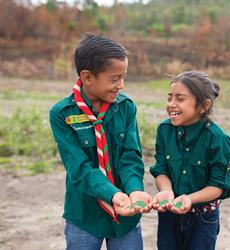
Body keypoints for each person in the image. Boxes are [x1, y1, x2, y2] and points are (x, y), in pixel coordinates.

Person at [49, 33, 152, 250]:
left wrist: (134, 190)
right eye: (114, 79)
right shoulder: (62, 114)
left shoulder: (125, 107)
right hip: (84, 214)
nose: (121, 85)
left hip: (126, 215)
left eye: (123, 77)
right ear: (87, 77)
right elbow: (78, 168)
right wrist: (112, 194)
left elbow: (130, 157)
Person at [149, 71, 230, 250]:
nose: (171, 104)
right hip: (169, 214)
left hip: (202, 220)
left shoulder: (217, 139)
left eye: (180, 99)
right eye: (170, 97)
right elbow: (161, 170)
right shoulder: (165, 130)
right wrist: (166, 190)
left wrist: (189, 199)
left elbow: (218, 186)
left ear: (203, 106)